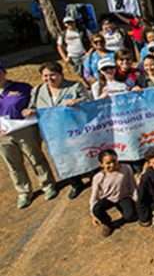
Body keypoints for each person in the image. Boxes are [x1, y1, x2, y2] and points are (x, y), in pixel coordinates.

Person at [23, 61, 90, 199]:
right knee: (63, 158)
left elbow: (89, 100)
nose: (49, 79)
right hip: (52, 132)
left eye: (52, 75)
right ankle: (76, 183)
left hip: (75, 129)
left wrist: (78, 101)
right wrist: (28, 111)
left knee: (84, 153)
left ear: (60, 74)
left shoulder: (74, 86)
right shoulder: (37, 91)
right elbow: (32, 107)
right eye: (45, 76)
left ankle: (92, 176)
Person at [0, 63, 57, 208]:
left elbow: (35, 103)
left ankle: (48, 184)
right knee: (13, 164)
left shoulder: (22, 87)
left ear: (4, 72)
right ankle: (24, 192)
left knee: (35, 158)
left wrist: (31, 110)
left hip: (24, 130)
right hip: (2, 136)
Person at [89, 150, 137, 237]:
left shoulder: (126, 168)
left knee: (130, 217)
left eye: (114, 161)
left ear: (117, 159)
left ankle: (122, 208)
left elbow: (133, 185)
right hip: (108, 199)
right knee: (96, 209)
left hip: (123, 196)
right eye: (108, 163)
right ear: (101, 164)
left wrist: (137, 200)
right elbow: (94, 197)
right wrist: (93, 215)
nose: (112, 165)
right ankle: (107, 224)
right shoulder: (98, 177)